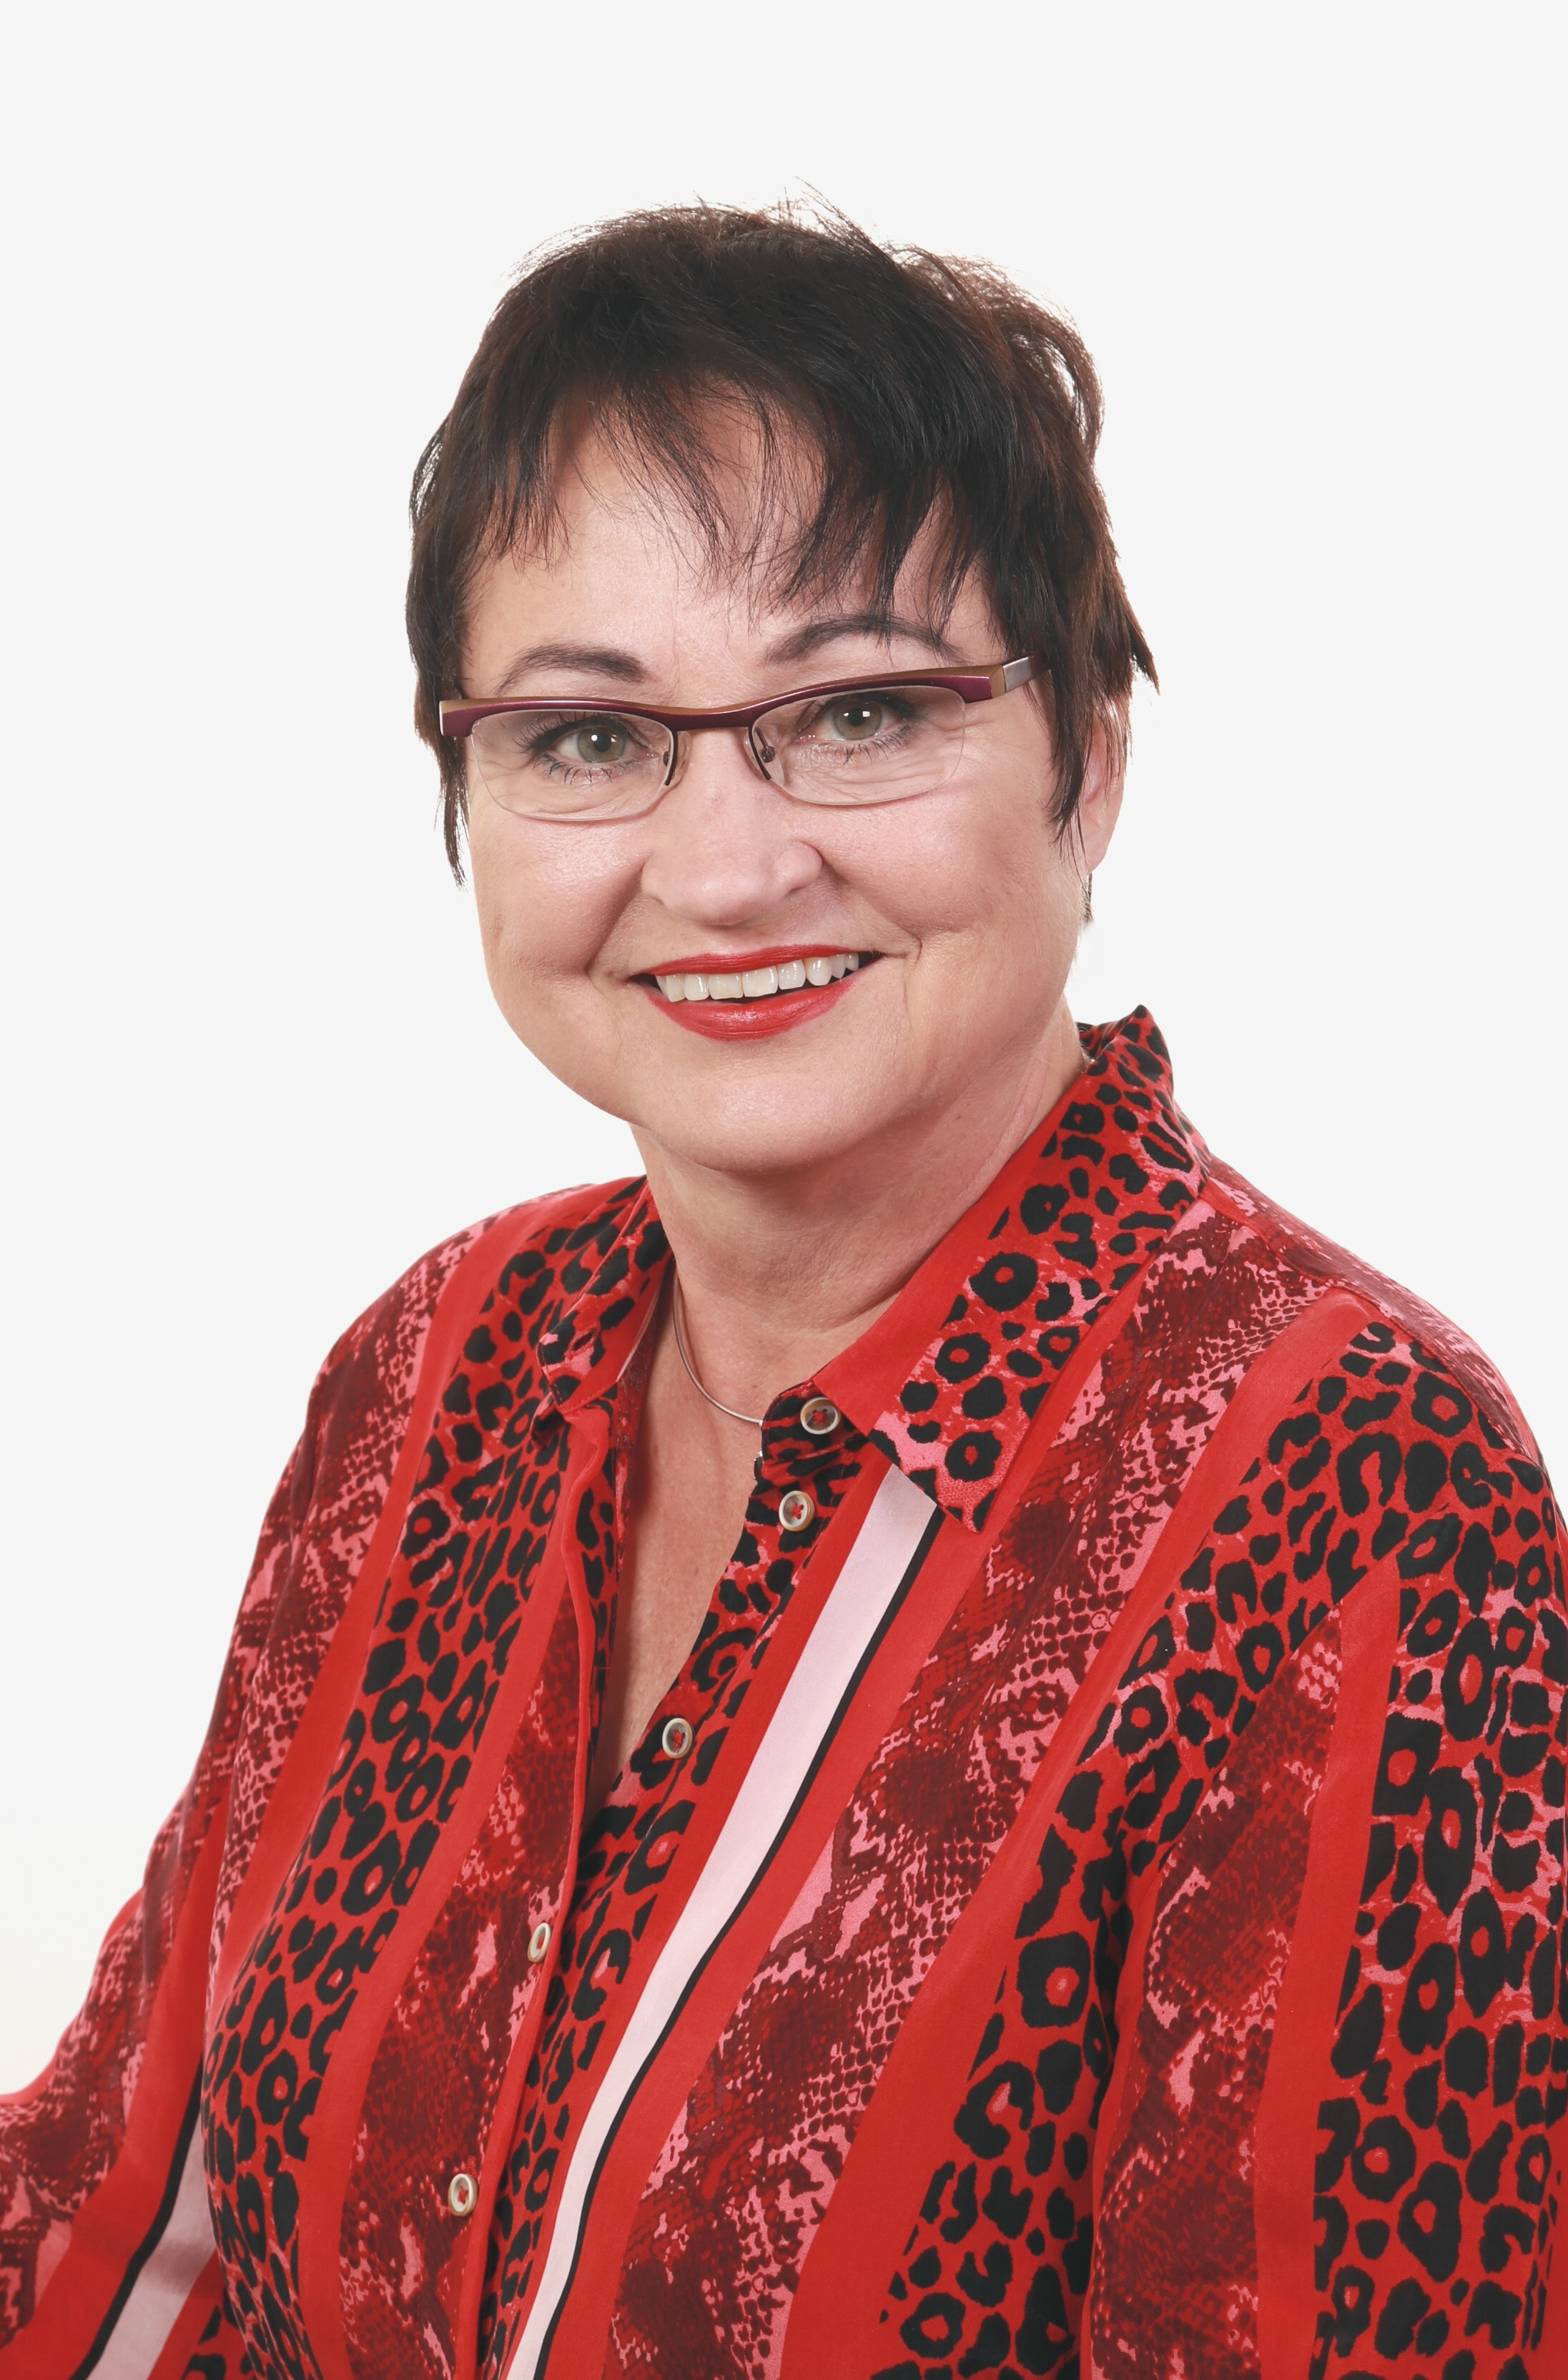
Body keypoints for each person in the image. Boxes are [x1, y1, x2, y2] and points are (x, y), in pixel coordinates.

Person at [1, 202, 1562, 2380]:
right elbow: (129, 2225)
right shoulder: (441, 1366)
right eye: (586, 738)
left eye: (859, 711)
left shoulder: (1351, 1483)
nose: (727, 869)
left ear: (1088, 759)